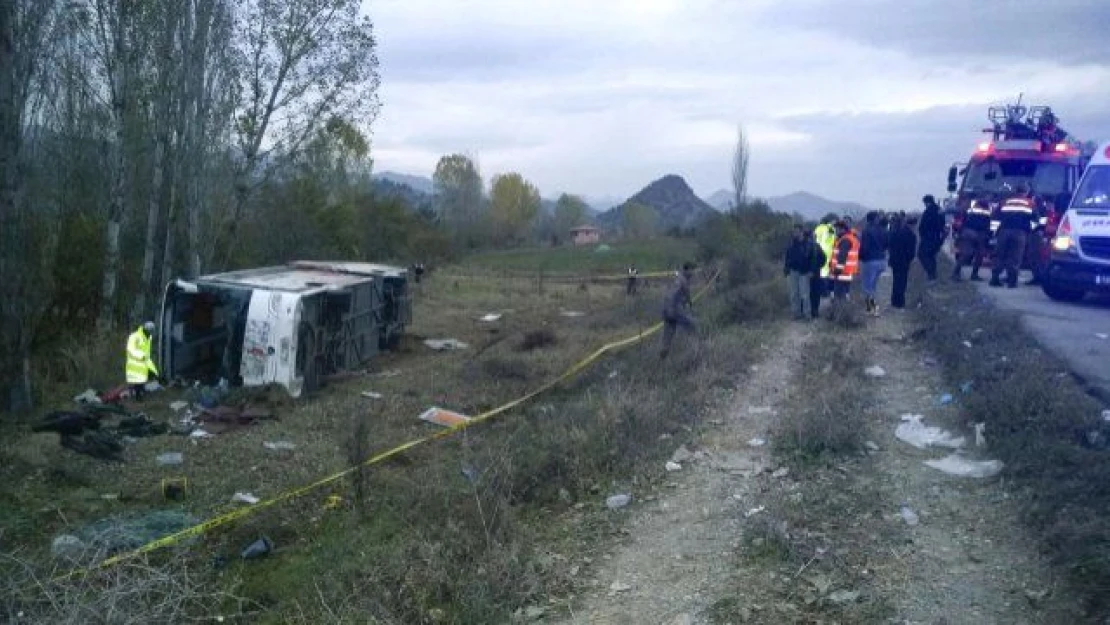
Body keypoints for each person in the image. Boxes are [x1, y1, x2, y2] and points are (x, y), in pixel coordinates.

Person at [991, 184, 1037, 288]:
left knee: (1000, 254)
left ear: (1015, 191)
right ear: (1026, 192)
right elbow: (1036, 219)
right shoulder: (1030, 203)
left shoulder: (1005, 201)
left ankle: (994, 278)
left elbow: (995, 215)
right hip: (1020, 233)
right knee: (1015, 256)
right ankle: (1012, 281)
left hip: (1004, 231)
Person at [661, 262, 696, 358]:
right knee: (692, 326)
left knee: (668, 335)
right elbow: (674, 295)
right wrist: (671, 310)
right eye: (691, 270)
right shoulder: (681, 280)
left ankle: (664, 354)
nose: (693, 273)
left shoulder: (679, 278)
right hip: (674, 310)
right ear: (686, 270)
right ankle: (694, 349)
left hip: (668, 310)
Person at [952, 197, 992, 281]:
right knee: (979, 255)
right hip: (981, 234)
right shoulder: (988, 212)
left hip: (968, 233)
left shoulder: (969, 210)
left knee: (965, 254)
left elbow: (961, 221)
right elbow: (988, 225)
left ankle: (956, 273)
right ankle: (974, 275)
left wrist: (959, 233)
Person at [859, 211, 889, 316]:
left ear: (868, 219)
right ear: (876, 219)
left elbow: (864, 247)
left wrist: (861, 257)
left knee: (867, 287)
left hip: (870, 261)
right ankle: (874, 308)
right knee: (874, 286)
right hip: (881, 260)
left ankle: (872, 309)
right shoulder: (883, 230)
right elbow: (886, 244)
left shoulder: (866, 231)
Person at [783, 225, 814, 321]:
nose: (795, 233)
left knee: (804, 294)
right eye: (794, 231)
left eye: (797, 231)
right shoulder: (791, 244)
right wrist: (786, 268)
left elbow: (813, 259)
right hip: (793, 271)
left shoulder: (808, 244)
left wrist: (811, 270)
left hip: (804, 272)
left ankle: (807, 315)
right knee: (793, 294)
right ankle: (796, 313)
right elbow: (787, 257)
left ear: (801, 232)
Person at [888, 214, 918, 309]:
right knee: (902, 282)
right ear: (912, 225)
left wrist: (891, 257)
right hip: (904, 262)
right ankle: (900, 303)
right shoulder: (912, 236)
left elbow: (890, 246)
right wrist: (909, 260)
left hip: (894, 260)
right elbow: (911, 252)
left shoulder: (896, 232)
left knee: (896, 281)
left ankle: (894, 301)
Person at [125, 321, 159, 401]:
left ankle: (140, 392)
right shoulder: (135, 336)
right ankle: (136, 396)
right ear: (147, 330)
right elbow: (131, 349)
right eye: (150, 331)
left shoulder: (148, 337)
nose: (151, 333)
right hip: (135, 361)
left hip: (143, 361)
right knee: (136, 380)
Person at [829, 220, 860, 301]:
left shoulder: (845, 240)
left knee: (839, 296)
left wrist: (837, 270)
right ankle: (844, 310)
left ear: (842, 229)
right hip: (847, 272)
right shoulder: (849, 238)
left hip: (842, 273)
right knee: (844, 294)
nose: (836, 231)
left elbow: (842, 256)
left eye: (837, 229)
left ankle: (841, 312)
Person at [917, 195, 946, 281]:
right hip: (937, 236)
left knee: (922, 255)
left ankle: (931, 274)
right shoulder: (939, 210)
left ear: (927, 202)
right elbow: (943, 223)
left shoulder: (928, 211)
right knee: (931, 256)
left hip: (928, 237)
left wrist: (922, 235)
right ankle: (933, 274)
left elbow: (923, 225)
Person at [813, 216, 837, 302]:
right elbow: (834, 240)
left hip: (820, 252)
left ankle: (823, 292)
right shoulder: (832, 229)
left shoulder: (818, 228)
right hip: (830, 252)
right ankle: (828, 291)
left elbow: (814, 239)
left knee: (822, 273)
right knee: (828, 273)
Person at [806, 230, 827, 319]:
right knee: (814, 292)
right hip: (815, 272)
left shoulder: (811, 246)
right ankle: (815, 311)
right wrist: (819, 266)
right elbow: (824, 258)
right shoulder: (816, 246)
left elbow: (823, 258)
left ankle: (813, 311)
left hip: (810, 273)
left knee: (811, 292)